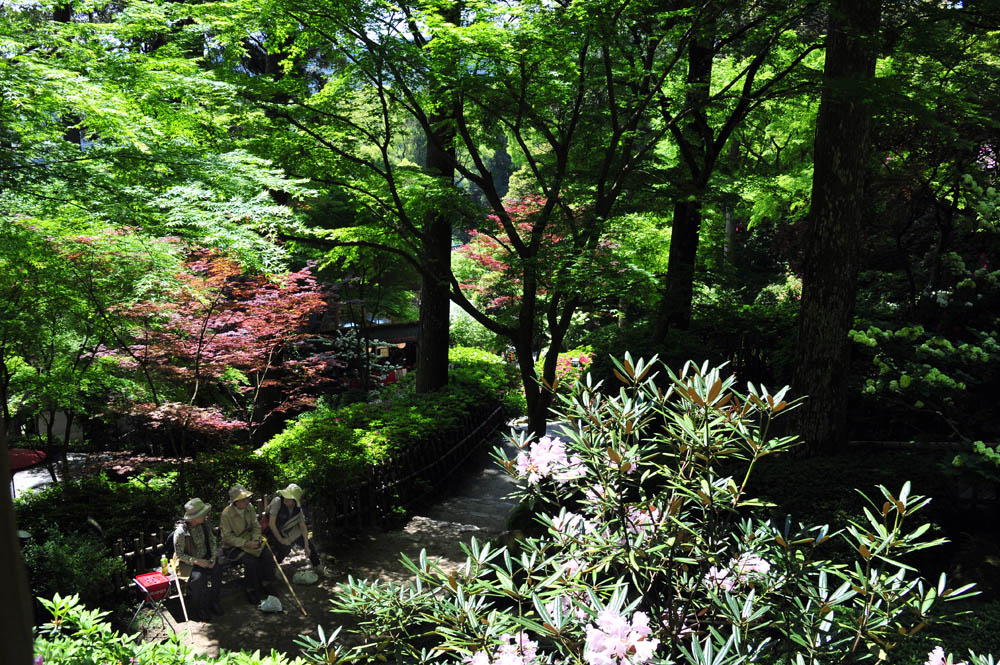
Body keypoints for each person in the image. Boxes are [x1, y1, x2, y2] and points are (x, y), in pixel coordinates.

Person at [220, 484, 274, 604]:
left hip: (250, 540)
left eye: (247, 498)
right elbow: (227, 537)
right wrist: (245, 544)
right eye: (243, 499)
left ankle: (266, 583)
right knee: (251, 561)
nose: (247, 500)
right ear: (236, 501)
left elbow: (255, 525)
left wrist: (255, 540)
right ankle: (251, 589)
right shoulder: (226, 514)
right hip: (233, 546)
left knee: (267, 555)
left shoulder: (249, 507)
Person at [172, 497, 223, 622]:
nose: (205, 515)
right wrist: (197, 561)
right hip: (188, 562)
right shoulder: (181, 532)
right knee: (198, 578)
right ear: (194, 517)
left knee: (218, 569)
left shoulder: (204, 525)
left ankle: (214, 601)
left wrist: (213, 557)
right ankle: (200, 608)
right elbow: (179, 555)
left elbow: (212, 540)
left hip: (206, 557)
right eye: (202, 514)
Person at [266, 483, 324, 574]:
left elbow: (303, 527)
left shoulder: (298, 510)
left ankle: (317, 565)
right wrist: (281, 539)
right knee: (284, 548)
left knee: (308, 544)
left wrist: (306, 546)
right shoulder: (277, 502)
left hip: (289, 529)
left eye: (289, 498)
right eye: (285, 496)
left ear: (294, 501)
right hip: (273, 529)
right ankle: (274, 567)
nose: (285, 499)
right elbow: (271, 524)